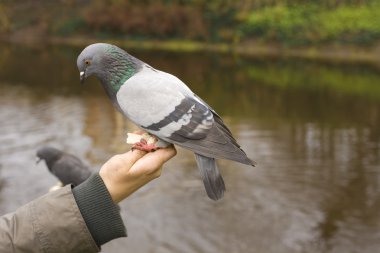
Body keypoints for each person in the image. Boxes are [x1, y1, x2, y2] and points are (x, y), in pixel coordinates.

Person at [0, 146, 177, 253]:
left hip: (82, 185)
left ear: (47, 158)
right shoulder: (63, 158)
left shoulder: (60, 165)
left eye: (41, 157)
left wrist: (102, 192)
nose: (40, 160)